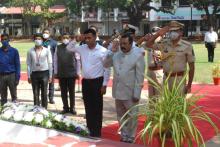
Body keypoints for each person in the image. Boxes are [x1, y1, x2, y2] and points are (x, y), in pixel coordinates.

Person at [67, 29, 110, 137]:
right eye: (86, 38)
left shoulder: (103, 51)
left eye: (89, 37)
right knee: (88, 107)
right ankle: (89, 130)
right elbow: (69, 48)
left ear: (95, 37)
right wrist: (76, 39)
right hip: (86, 82)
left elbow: (107, 69)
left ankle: (97, 132)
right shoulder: (82, 48)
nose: (87, 40)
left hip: (97, 82)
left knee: (97, 108)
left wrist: (104, 85)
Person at [104, 34, 145, 143]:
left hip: (130, 91)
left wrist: (137, 93)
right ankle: (124, 134)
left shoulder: (138, 55)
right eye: (121, 43)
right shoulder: (116, 54)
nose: (122, 46)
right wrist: (112, 51)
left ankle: (131, 136)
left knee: (132, 116)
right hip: (118, 90)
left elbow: (140, 76)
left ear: (131, 43)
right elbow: (105, 64)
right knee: (120, 115)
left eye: (125, 44)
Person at [146, 21, 195, 95]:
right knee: (166, 104)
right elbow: (148, 44)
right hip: (166, 78)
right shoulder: (164, 43)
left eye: (175, 31)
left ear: (181, 32)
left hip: (179, 79)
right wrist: (158, 33)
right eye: (171, 31)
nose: (172, 33)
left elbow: (192, 67)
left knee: (179, 104)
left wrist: (189, 85)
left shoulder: (187, 46)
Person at [54, 33, 78, 115]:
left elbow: (77, 60)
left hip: (71, 73)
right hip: (61, 73)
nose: (65, 39)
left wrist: (78, 72)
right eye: (63, 37)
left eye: (67, 37)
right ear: (61, 39)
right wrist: (55, 72)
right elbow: (55, 60)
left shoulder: (74, 47)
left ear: (70, 38)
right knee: (63, 92)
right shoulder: (58, 47)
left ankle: (72, 108)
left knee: (72, 91)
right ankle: (65, 107)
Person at [26, 33, 53, 109]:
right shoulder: (30, 51)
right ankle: (36, 109)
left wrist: (50, 75)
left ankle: (44, 109)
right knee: (35, 93)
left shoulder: (47, 51)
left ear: (42, 40)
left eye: (39, 39)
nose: (38, 40)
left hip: (45, 73)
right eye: (36, 39)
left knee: (44, 93)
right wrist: (28, 75)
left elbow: (50, 63)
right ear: (34, 40)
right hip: (34, 74)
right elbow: (28, 64)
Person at [138, 27, 163, 98]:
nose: (154, 37)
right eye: (153, 35)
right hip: (150, 71)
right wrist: (143, 38)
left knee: (159, 95)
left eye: (156, 35)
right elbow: (136, 46)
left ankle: (159, 109)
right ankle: (152, 109)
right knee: (151, 95)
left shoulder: (163, 44)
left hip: (159, 71)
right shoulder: (147, 44)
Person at [0, 33, 20, 106]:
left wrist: (17, 78)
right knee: (3, 96)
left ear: (9, 40)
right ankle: (3, 111)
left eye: (5, 39)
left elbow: (17, 65)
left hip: (12, 75)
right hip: (1, 76)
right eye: (2, 40)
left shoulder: (14, 51)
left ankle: (15, 111)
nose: (4, 41)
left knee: (14, 96)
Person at [42, 28, 57, 104]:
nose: (45, 34)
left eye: (47, 32)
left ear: (49, 34)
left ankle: (51, 98)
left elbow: (56, 54)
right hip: (42, 66)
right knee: (43, 83)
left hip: (51, 66)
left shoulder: (53, 43)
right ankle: (43, 98)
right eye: (44, 32)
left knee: (51, 83)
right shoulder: (40, 42)